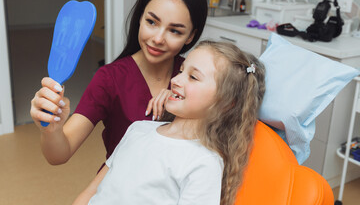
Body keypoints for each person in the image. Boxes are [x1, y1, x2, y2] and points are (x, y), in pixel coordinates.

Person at [29, 0, 208, 166]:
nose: (158, 38)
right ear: (140, 18)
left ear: (190, 36)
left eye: (175, 31)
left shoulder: (197, 79)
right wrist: (51, 130)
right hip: (120, 190)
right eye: (152, 22)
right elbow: (58, 155)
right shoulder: (109, 79)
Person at [72, 41, 266, 205]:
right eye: (181, 71)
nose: (176, 79)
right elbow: (91, 191)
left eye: (193, 77)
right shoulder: (138, 129)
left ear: (226, 103)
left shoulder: (203, 163)